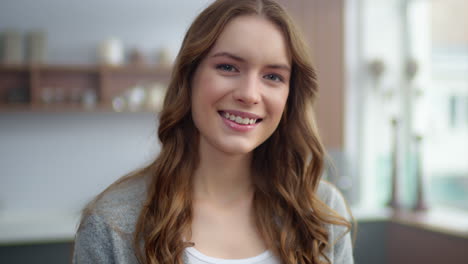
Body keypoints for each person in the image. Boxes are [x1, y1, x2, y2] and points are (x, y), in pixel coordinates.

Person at [73, 0, 354, 263]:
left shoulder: (321, 211)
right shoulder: (112, 224)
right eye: (228, 67)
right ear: (189, 77)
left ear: (290, 96)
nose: (249, 94)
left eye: (273, 76)